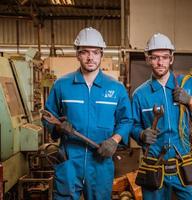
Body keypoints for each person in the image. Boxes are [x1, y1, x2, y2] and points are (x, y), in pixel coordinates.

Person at [43, 27, 132, 200]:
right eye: (85, 52)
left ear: (101, 54)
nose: (90, 57)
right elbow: (47, 115)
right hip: (69, 160)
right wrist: (59, 128)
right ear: (77, 54)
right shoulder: (62, 85)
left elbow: (126, 120)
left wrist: (114, 141)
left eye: (95, 52)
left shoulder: (116, 88)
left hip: (100, 161)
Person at [131, 33, 192, 200]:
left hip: (184, 163)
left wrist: (190, 101)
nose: (160, 62)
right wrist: (140, 134)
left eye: (165, 57)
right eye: (155, 58)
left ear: (171, 59)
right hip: (154, 165)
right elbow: (132, 125)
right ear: (148, 59)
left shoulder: (188, 84)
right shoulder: (140, 94)